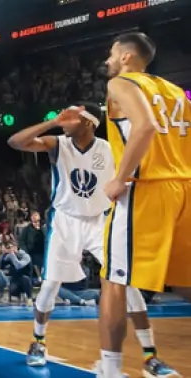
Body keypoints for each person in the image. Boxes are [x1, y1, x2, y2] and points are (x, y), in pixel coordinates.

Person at [8, 100, 179, 376]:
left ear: (88, 122)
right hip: (65, 222)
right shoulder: (58, 144)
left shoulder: (111, 148)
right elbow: (16, 142)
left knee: (128, 286)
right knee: (50, 286)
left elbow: (136, 172)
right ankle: (38, 342)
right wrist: (53, 122)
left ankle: (151, 356)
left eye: (70, 116)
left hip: (101, 221)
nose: (64, 118)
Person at [97, 32, 191, 378]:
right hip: (184, 186)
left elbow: (145, 126)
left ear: (125, 56)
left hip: (147, 189)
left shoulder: (122, 83)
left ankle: (110, 370)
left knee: (113, 280)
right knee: (185, 281)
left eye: (111, 52)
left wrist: (120, 177)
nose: (108, 59)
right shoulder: (175, 91)